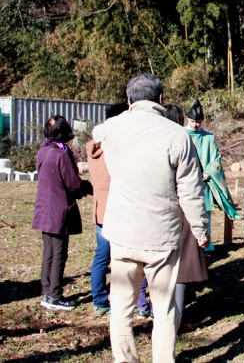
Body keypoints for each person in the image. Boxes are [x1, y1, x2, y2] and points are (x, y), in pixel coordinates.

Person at [92, 74, 210, 363]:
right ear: (161, 99)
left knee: (120, 309)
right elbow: (191, 192)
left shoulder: (112, 128)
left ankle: (126, 360)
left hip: (122, 235)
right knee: (165, 309)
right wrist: (200, 229)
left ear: (129, 100)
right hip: (162, 238)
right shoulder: (177, 135)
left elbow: (96, 133)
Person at [32, 115, 92, 311]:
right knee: (59, 253)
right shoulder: (61, 153)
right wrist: (89, 187)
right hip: (58, 209)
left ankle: (47, 291)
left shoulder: (43, 151)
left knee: (48, 252)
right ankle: (55, 296)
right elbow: (73, 184)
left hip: (44, 208)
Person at [164, 103, 209, 331]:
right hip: (180, 214)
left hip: (160, 214)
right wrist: (200, 227)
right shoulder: (181, 141)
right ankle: (175, 321)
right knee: (180, 272)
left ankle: (163, 317)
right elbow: (192, 187)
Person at [86, 102, 128, 316]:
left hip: (99, 207)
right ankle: (122, 298)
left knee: (101, 256)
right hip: (118, 207)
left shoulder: (92, 145)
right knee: (121, 257)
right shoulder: (116, 146)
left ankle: (100, 300)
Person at [185, 99, 240, 252]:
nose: (195, 124)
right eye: (192, 121)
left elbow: (216, 159)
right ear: (187, 119)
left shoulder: (209, 138)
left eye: (198, 122)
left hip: (205, 183)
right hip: (187, 183)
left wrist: (208, 172)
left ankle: (207, 246)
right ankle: (190, 249)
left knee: (205, 214)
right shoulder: (181, 135)